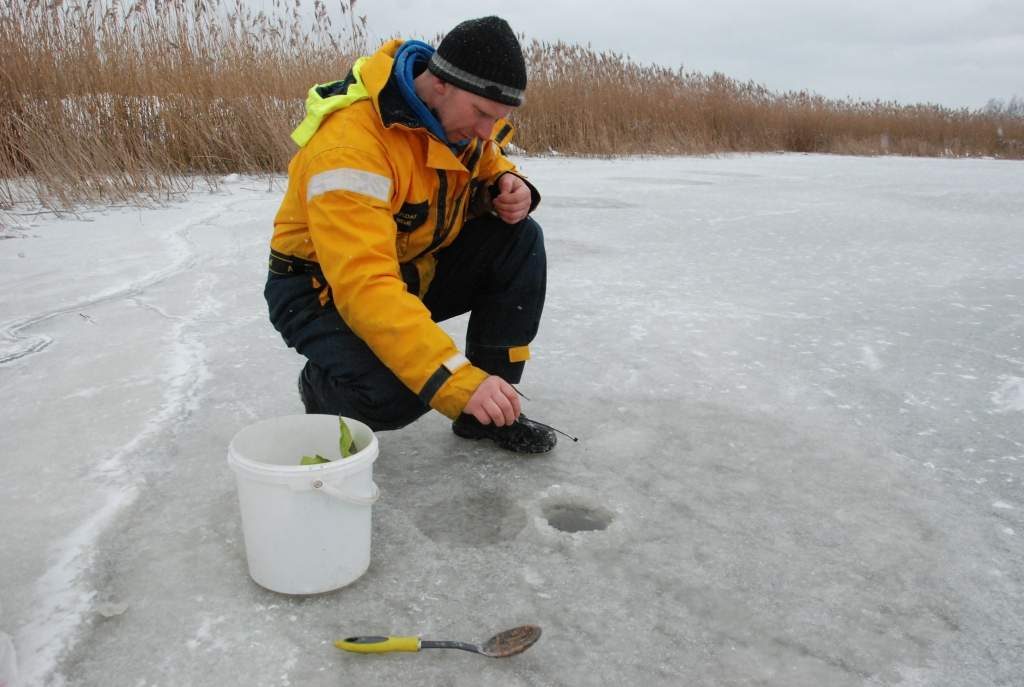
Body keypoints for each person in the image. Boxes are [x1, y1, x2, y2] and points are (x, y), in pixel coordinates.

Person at [264, 16, 556, 453]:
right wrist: (456, 383)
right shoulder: (351, 147)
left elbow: (486, 156)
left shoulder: (457, 122)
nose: (485, 132)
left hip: (412, 269)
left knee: (520, 238)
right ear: (439, 84)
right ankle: (323, 390)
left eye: (496, 120)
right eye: (481, 114)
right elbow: (366, 286)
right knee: (404, 392)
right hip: (319, 288)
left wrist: (508, 184)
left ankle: (490, 413)